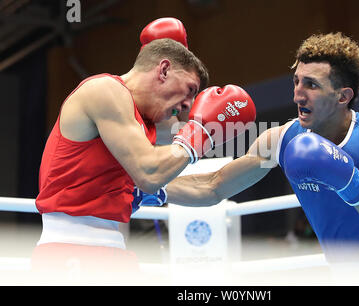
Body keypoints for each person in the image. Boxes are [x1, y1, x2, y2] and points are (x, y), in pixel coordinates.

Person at [165, 32, 359, 265]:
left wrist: (348, 179)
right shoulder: (280, 140)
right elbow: (214, 185)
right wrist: (149, 189)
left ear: (343, 96)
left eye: (311, 85)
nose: (298, 95)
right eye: (296, 81)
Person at [31, 18, 256, 280]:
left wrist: (269, 155)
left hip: (112, 251)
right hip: (70, 253)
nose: (188, 105)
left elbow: (211, 187)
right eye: (189, 90)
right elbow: (150, 174)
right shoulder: (104, 91)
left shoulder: (142, 126)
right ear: (163, 70)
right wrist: (201, 131)